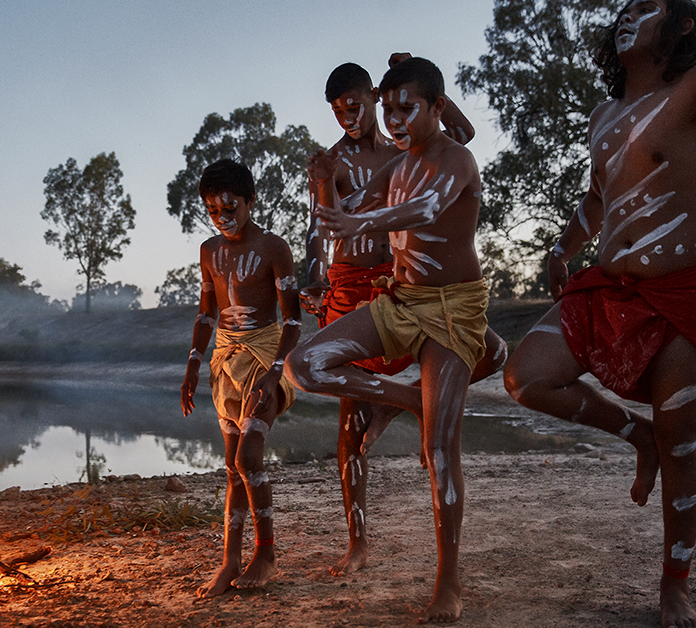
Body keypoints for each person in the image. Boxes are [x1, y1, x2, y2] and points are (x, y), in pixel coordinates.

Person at [501, 2, 696, 626]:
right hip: (611, 289)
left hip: (689, 292)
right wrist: (560, 247)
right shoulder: (603, 115)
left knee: (685, 442)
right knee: (525, 376)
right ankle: (638, 438)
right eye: (623, 8)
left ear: (682, 24)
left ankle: (674, 586)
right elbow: (597, 198)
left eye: (646, 6)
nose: (627, 15)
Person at [286, 57, 490, 624]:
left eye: (364, 104)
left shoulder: (435, 154)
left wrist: (409, 80)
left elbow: (437, 184)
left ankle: (448, 581)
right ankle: (402, 405)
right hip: (380, 293)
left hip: (444, 300)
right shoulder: (359, 163)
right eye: (339, 110)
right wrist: (314, 267)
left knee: (443, 440)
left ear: (373, 96)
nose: (355, 116)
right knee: (320, 384)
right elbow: (331, 219)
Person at [181, 158, 303, 598]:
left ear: (250, 201)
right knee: (232, 468)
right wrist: (194, 363)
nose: (222, 218)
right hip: (224, 362)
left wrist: (274, 375)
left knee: (249, 458)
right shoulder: (208, 250)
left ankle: (266, 555)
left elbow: (293, 321)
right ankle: (230, 559)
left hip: (266, 356)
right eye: (213, 211)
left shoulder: (274, 247)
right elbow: (206, 311)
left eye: (230, 207)